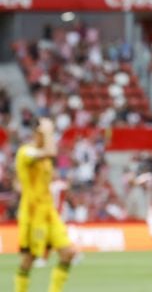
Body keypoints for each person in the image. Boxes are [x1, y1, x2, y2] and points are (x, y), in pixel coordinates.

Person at [14, 118, 76, 292]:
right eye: (43, 134)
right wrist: (48, 130)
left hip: (49, 212)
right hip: (32, 213)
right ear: (36, 133)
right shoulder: (26, 152)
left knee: (68, 253)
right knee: (29, 259)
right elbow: (51, 151)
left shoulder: (44, 158)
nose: (47, 137)